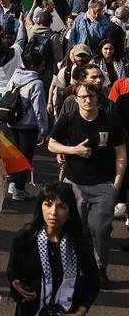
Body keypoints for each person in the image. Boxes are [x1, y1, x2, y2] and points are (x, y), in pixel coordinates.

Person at [48, 82, 126, 288]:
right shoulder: (68, 118)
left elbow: (121, 152)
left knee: (100, 229)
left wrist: (116, 184)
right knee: (76, 229)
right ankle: (79, 267)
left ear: (97, 97)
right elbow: (51, 144)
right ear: (76, 99)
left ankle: (99, 268)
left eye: (91, 96)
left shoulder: (110, 120)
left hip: (104, 185)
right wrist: (73, 150)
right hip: (74, 185)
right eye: (82, 97)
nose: (87, 100)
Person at [7, 182, 99, 316]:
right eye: (48, 204)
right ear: (40, 206)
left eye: (61, 206)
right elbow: (13, 269)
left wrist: (78, 314)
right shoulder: (25, 239)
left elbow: (93, 281)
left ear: (70, 211)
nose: (53, 212)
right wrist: (16, 284)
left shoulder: (79, 242)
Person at [3, 51, 49, 202]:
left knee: (16, 155)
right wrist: (43, 131)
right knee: (25, 158)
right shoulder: (37, 83)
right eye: (41, 66)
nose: (43, 68)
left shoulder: (14, 77)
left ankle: (13, 184)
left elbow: (5, 95)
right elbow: (39, 110)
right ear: (33, 66)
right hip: (28, 126)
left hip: (12, 122)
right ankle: (19, 190)